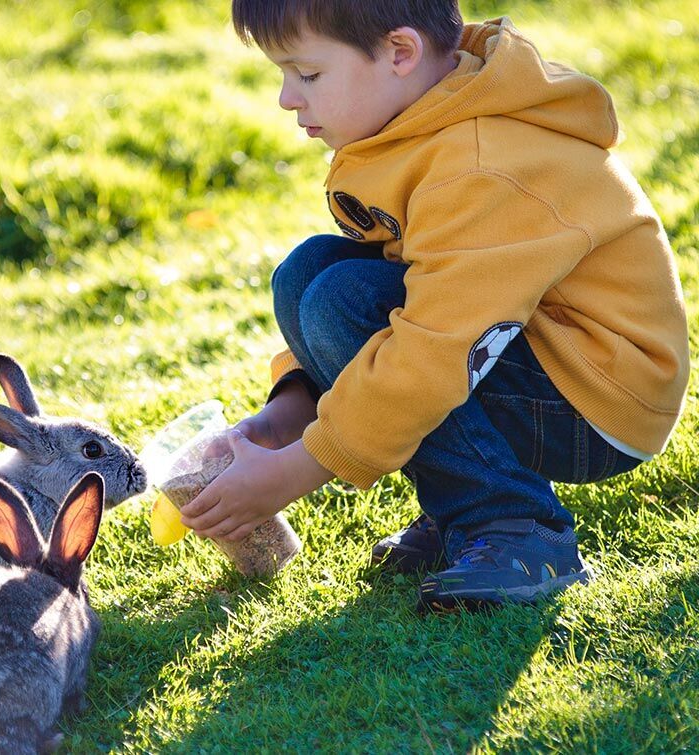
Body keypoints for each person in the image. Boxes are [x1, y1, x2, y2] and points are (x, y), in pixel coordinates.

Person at [179, 0, 691, 611]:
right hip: (535, 352)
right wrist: (289, 413)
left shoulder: (478, 164)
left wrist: (297, 470)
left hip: (599, 399)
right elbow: (416, 286)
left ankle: (514, 528)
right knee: (309, 274)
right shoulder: (431, 114)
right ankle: (460, 511)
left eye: (308, 75)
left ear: (400, 52)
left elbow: (432, 349)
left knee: (342, 302)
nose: (288, 98)